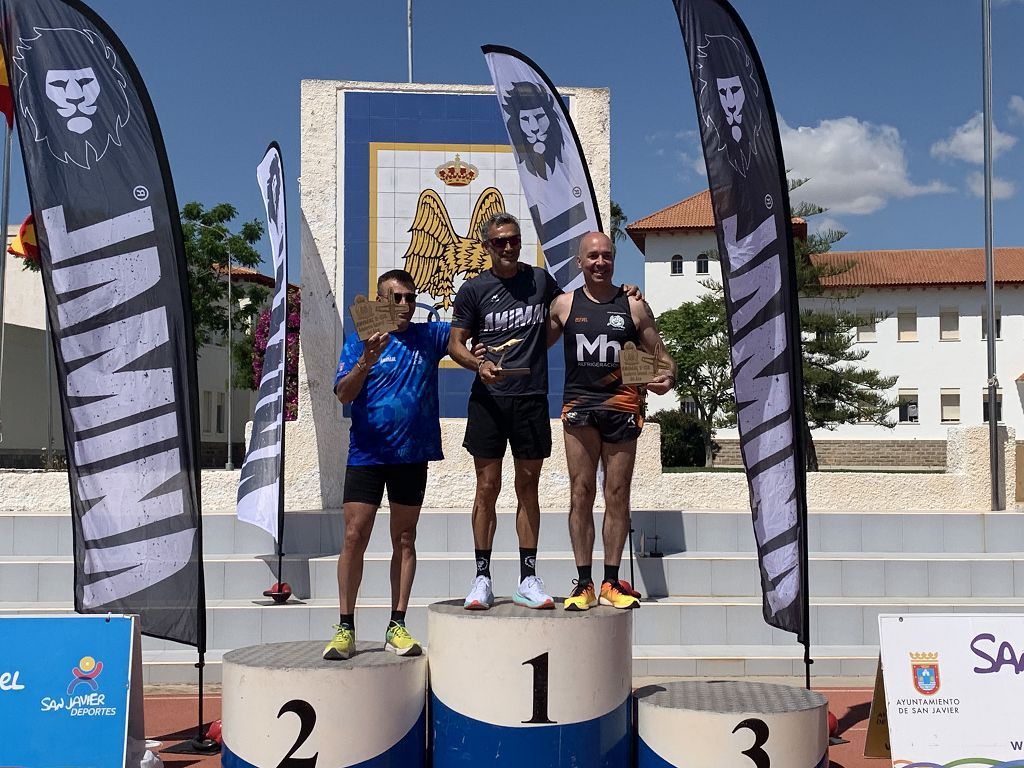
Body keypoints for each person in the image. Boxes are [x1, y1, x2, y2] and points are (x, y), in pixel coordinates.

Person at [323, 269, 450, 660]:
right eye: (396, 298)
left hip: (412, 456)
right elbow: (343, 395)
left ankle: (397, 624)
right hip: (367, 455)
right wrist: (366, 359)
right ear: (380, 302)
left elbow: (475, 321)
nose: (405, 305)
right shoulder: (359, 343)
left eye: (410, 298)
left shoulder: (430, 336)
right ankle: (345, 627)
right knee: (353, 538)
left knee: (406, 539)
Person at [547, 232, 677, 611]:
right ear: (580, 262)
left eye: (606, 255)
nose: (600, 262)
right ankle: (584, 582)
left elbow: (663, 359)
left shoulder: (634, 306)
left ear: (614, 260)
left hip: (622, 407)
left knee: (617, 495)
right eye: (592, 256)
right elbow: (533, 348)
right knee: (581, 492)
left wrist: (665, 379)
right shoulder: (564, 305)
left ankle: (610, 581)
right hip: (580, 407)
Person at [448, 212, 558, 610]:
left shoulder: (541, 280)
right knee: (487, 488)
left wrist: (625, 292)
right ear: (487, 246)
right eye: (500, 242)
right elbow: (455, 343)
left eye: (513, 239)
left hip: (531, 397)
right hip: (489, 400)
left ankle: (528, 578)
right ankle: (482, 578)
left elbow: (569, 309)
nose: (508, 246)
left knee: (528, 488)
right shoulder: (473, 289)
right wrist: (478, 365)